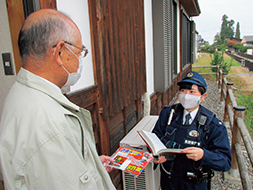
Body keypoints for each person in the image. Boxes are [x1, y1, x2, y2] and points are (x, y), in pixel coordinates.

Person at [0, 9, 116, 190]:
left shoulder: (23, 94)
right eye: (80, 51)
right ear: (60, 52)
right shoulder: (46, 123)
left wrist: (91, 166)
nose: (80, 59)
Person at [152, 71, 231, 190]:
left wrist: (204, 155)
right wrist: (156, 154)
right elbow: (155, 137)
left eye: (191, 92)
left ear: (202, 97)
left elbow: (225, 162)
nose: (186, 95)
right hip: (169, 180)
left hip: (195, 183)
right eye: (183, 90)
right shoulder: (168, 114)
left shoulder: (213, 125)